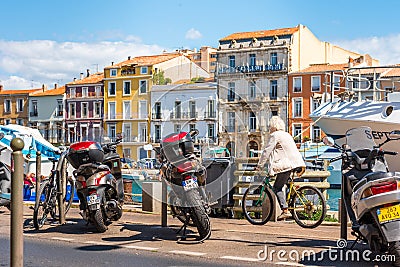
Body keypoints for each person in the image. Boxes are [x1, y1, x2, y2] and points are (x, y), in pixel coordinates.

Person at [256, 116, 306, 220]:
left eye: (270, 126)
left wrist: (259, 166)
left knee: (277, 188)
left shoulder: (275, 135)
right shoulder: (287, 134)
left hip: (287, 164)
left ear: (273, 126)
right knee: (285, 182)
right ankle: (293, 195)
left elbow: (267, 151)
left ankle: (285, 210)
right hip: (297, 163)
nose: (269, 128)